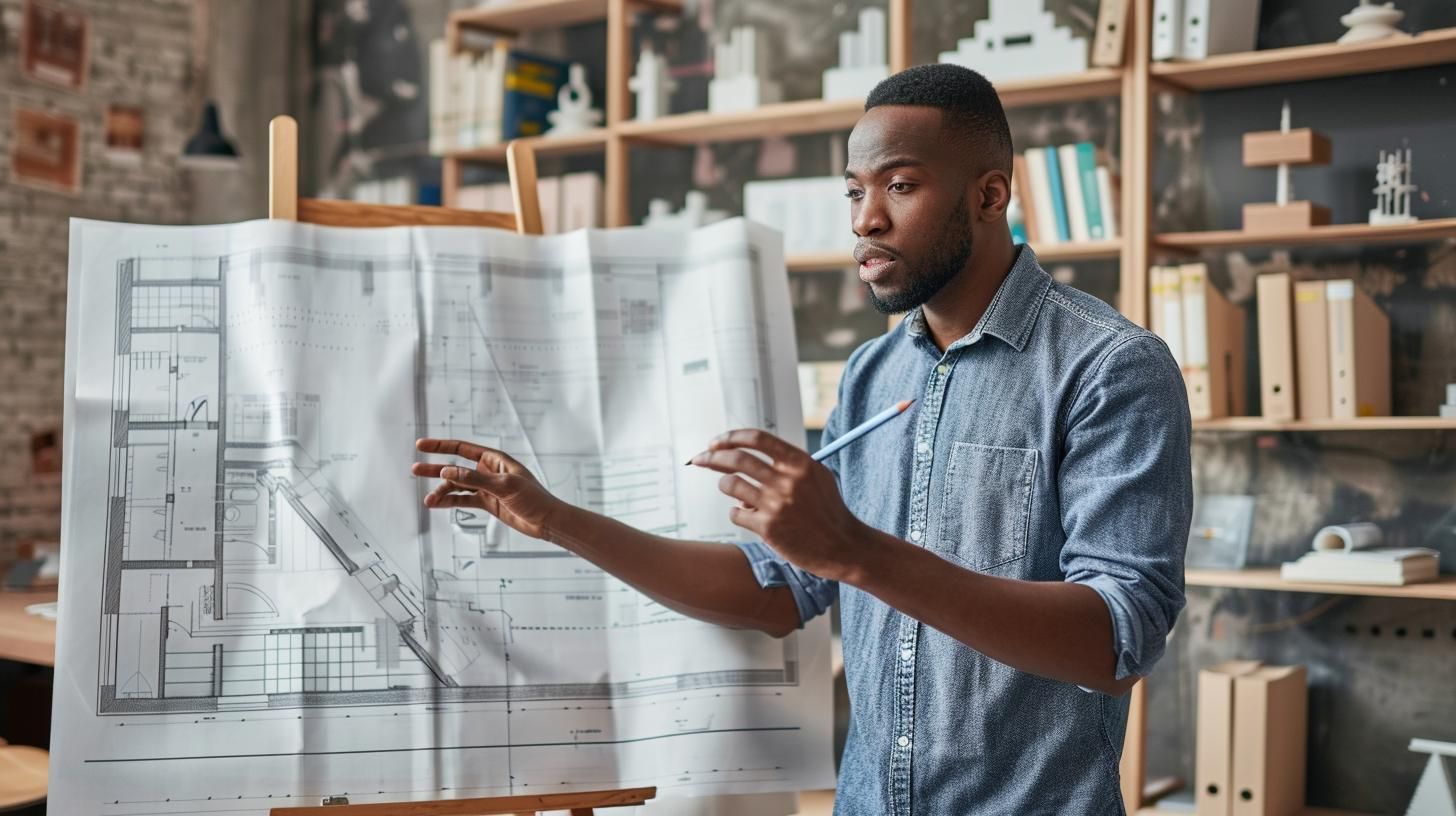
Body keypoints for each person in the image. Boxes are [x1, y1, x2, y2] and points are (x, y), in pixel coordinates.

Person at [411, 63, 1191, 815]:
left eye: (900, 185)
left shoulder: (1111, 368)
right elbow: (778, 589)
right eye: (854, 190)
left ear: (989, 195)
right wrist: (557, 521)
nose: (864, 219)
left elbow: (1116, 640)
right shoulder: (872, 373)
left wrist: (853, 548)